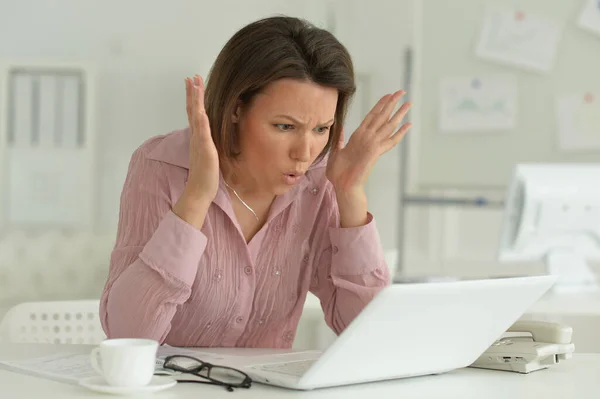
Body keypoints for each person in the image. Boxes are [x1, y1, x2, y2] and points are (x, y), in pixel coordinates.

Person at [99, 15, 411, 348]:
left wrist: (350, 194)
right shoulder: (161, 165)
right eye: (284, 127)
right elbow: (128, 337)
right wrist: (196, 198)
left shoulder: (320, 183)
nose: (304, 153)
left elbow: (368, 334)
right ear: (236, 108)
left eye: (321, 129)